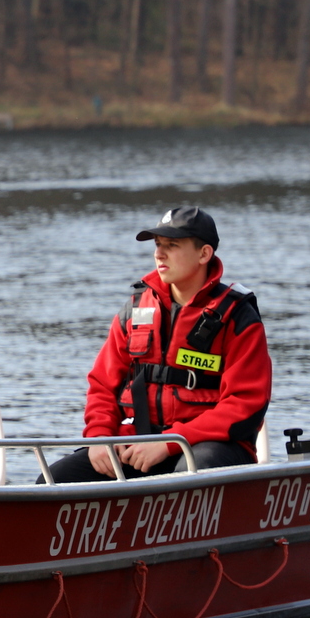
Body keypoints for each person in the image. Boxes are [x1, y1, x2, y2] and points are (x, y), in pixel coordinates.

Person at [45, 206, 270, 482]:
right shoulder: (135, 309)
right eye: (158, 244)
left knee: (187, 477)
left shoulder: (237, 316)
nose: (159, 254)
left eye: (172, 245)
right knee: (54, 479)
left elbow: (245, 404)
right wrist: (100, 438)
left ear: (204, 254)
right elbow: (102, 386)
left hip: (212, 448)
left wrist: (169, 443)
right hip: (141, 444)